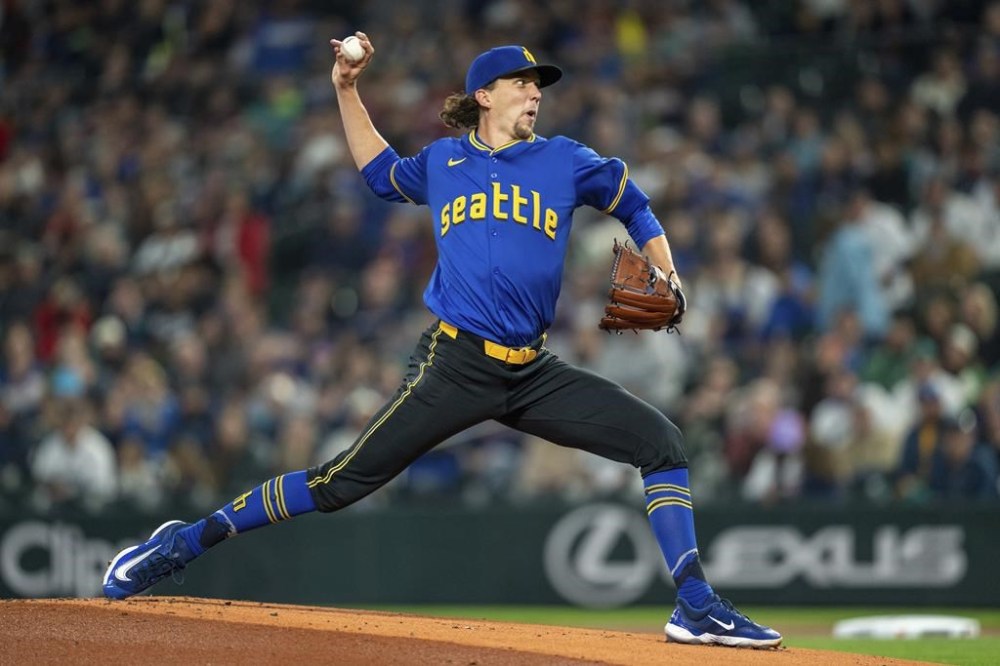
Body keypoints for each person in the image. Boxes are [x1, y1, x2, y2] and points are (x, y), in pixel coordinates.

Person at [102, 33, 781, 649]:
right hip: (453, 363)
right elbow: (379, 174)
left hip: (532, 371)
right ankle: (184, 542)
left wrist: (664, 267)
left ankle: (693, 602)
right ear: (485, 94)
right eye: (521, 83)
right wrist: (346, 88)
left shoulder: (564, 161)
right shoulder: (444, 162)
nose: (535, 93)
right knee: (340, 483)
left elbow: (633, 202)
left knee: (660, 441)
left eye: (539, 85)